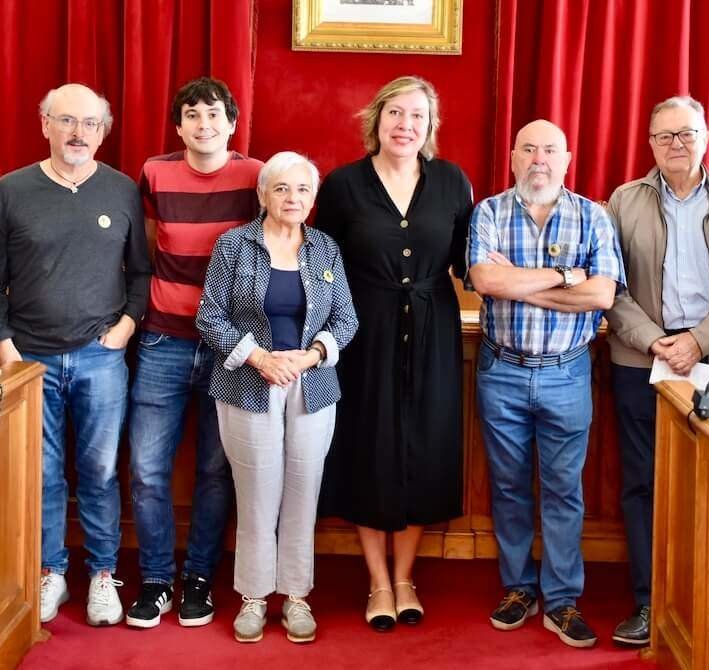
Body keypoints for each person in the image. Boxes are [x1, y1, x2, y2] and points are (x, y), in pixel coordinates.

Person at [0, 83, 151, 627]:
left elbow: (142, 271)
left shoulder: (122, 190)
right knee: (44, 472)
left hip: (101, 357)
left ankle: (103, 574)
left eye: (90, 124)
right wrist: (3, 343)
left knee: (100, 470)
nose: (78, 133)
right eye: (66, 121)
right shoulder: (11, 189)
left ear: (103, 131)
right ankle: (50, 571)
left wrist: (126, 326)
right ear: (44, 124)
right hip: (28, 357)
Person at [316, 75, 473, 631]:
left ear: (430, 126)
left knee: (424, 449)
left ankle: (406, 578)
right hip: (364, 334)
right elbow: (321, 266)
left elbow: (469, 264)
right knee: (369, 448)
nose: (406, 125)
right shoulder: (342, 186)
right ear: (376, 120)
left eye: (417, 116)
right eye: (395, 114)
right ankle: (378, 581)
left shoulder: (453, 182)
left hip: (434, 331)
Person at [604, 95, 709, 646]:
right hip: (639, 363)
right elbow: (610, 289)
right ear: (649, 143)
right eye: (664, 136)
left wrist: (697, 341)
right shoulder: (623, 201)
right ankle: (648, 602)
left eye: (687, 134)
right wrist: (656, 343)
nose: (676, 144)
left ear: (707, 138)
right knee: (642, 484)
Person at [469, 119, 624, 649]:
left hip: (567, 372)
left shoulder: (593, 216)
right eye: (529, 149)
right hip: (502, 371)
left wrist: (524, 282)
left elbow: (603, 295)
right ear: (513, 157)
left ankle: (561, 600)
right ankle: (518, 589)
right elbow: (487, 281)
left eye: (550, 150)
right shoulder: (487, 212)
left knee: (563, 491)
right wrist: (565, 276)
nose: (539, 159)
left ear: (567, 158)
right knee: (508, 487)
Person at [196, 151, 358, 644]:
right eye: (282, 189)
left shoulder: (326, 248)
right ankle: (252, 595)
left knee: (303, 491)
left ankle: (295, 596)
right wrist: (261, 359)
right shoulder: (234, 245)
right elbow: (210, 317)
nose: (293, 199)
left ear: (313, 198)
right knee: (256, 494)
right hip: (248, 384)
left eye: (303, 190)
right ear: (264, 194)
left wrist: (309, 357)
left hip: (311, 386)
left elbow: (346, 320)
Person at [124, 77, 264, 630]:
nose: (203, 124)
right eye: (191, 115)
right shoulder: (154, 173)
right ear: (178, 125)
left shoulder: (257, 176)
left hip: (231, 346)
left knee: (214, 468)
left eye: (213, 114)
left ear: (231, 123)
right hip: (162, 339)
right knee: (148, 469)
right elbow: (146, 245)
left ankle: (200, 578)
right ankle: (157, 579)